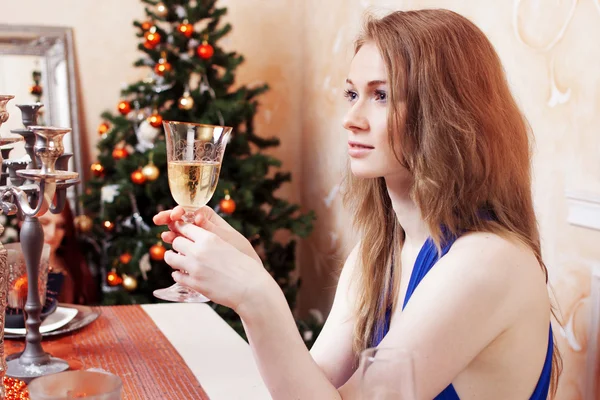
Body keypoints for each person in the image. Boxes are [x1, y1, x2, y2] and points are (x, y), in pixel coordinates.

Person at [154, 9, 561, 399]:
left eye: (381, 95)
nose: (352, 117)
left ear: (447, 113)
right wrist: (249, 271)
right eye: (352, 93)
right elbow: (310, 390)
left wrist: (256, 295)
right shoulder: (377, 254)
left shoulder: (488, 262)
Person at [39, 201, 98, 305]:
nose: (52, 234)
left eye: (60, 226)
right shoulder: (9, 268)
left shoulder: (73, 265)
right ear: (22, 223)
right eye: (43, 223)